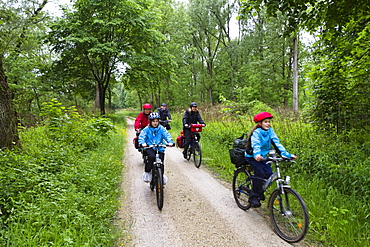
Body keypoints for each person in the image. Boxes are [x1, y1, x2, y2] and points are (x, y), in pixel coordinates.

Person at [245, 112, 296, 208]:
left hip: (263, 156)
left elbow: (277, 143)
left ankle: (259, 190)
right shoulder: (256, 133)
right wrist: (257, 154)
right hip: (253, 156)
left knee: (269, 175)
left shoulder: (270, 131)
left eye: (269, 122)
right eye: (265, 122)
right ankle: (254, 197)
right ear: (260, 123)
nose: (268, 124)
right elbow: (256, 144)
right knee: (259, 174)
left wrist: (287, 155)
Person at [139, 112, 174, 183]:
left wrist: (170, 142)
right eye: (153, 121)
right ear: (150, 122)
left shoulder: (161, 129)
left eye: (156, 121)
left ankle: (161, 177)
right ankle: (147, 173)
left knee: (161, 162)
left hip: (160, 147)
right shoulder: (147, 129)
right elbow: (142, 136)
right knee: (151, 157)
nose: (155, 123)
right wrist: (143, 143)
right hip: (150, 147)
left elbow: (167, 135)